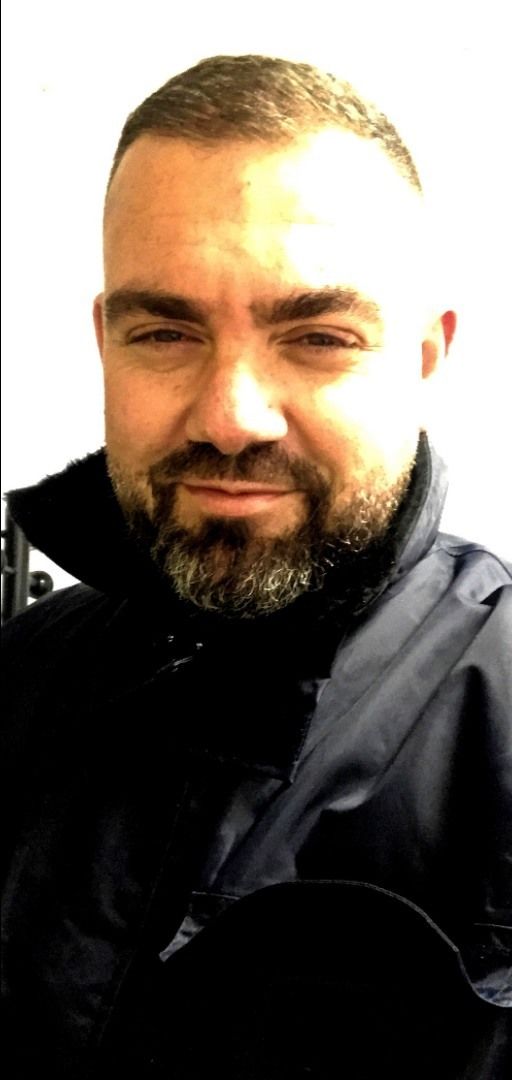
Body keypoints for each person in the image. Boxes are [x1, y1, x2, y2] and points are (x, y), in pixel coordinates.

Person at [2, 54, 511, 1078]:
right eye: (164, 331)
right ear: (106, 342)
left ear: (422, 357)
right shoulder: (21, 675)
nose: (231, 418)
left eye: (317, 337)